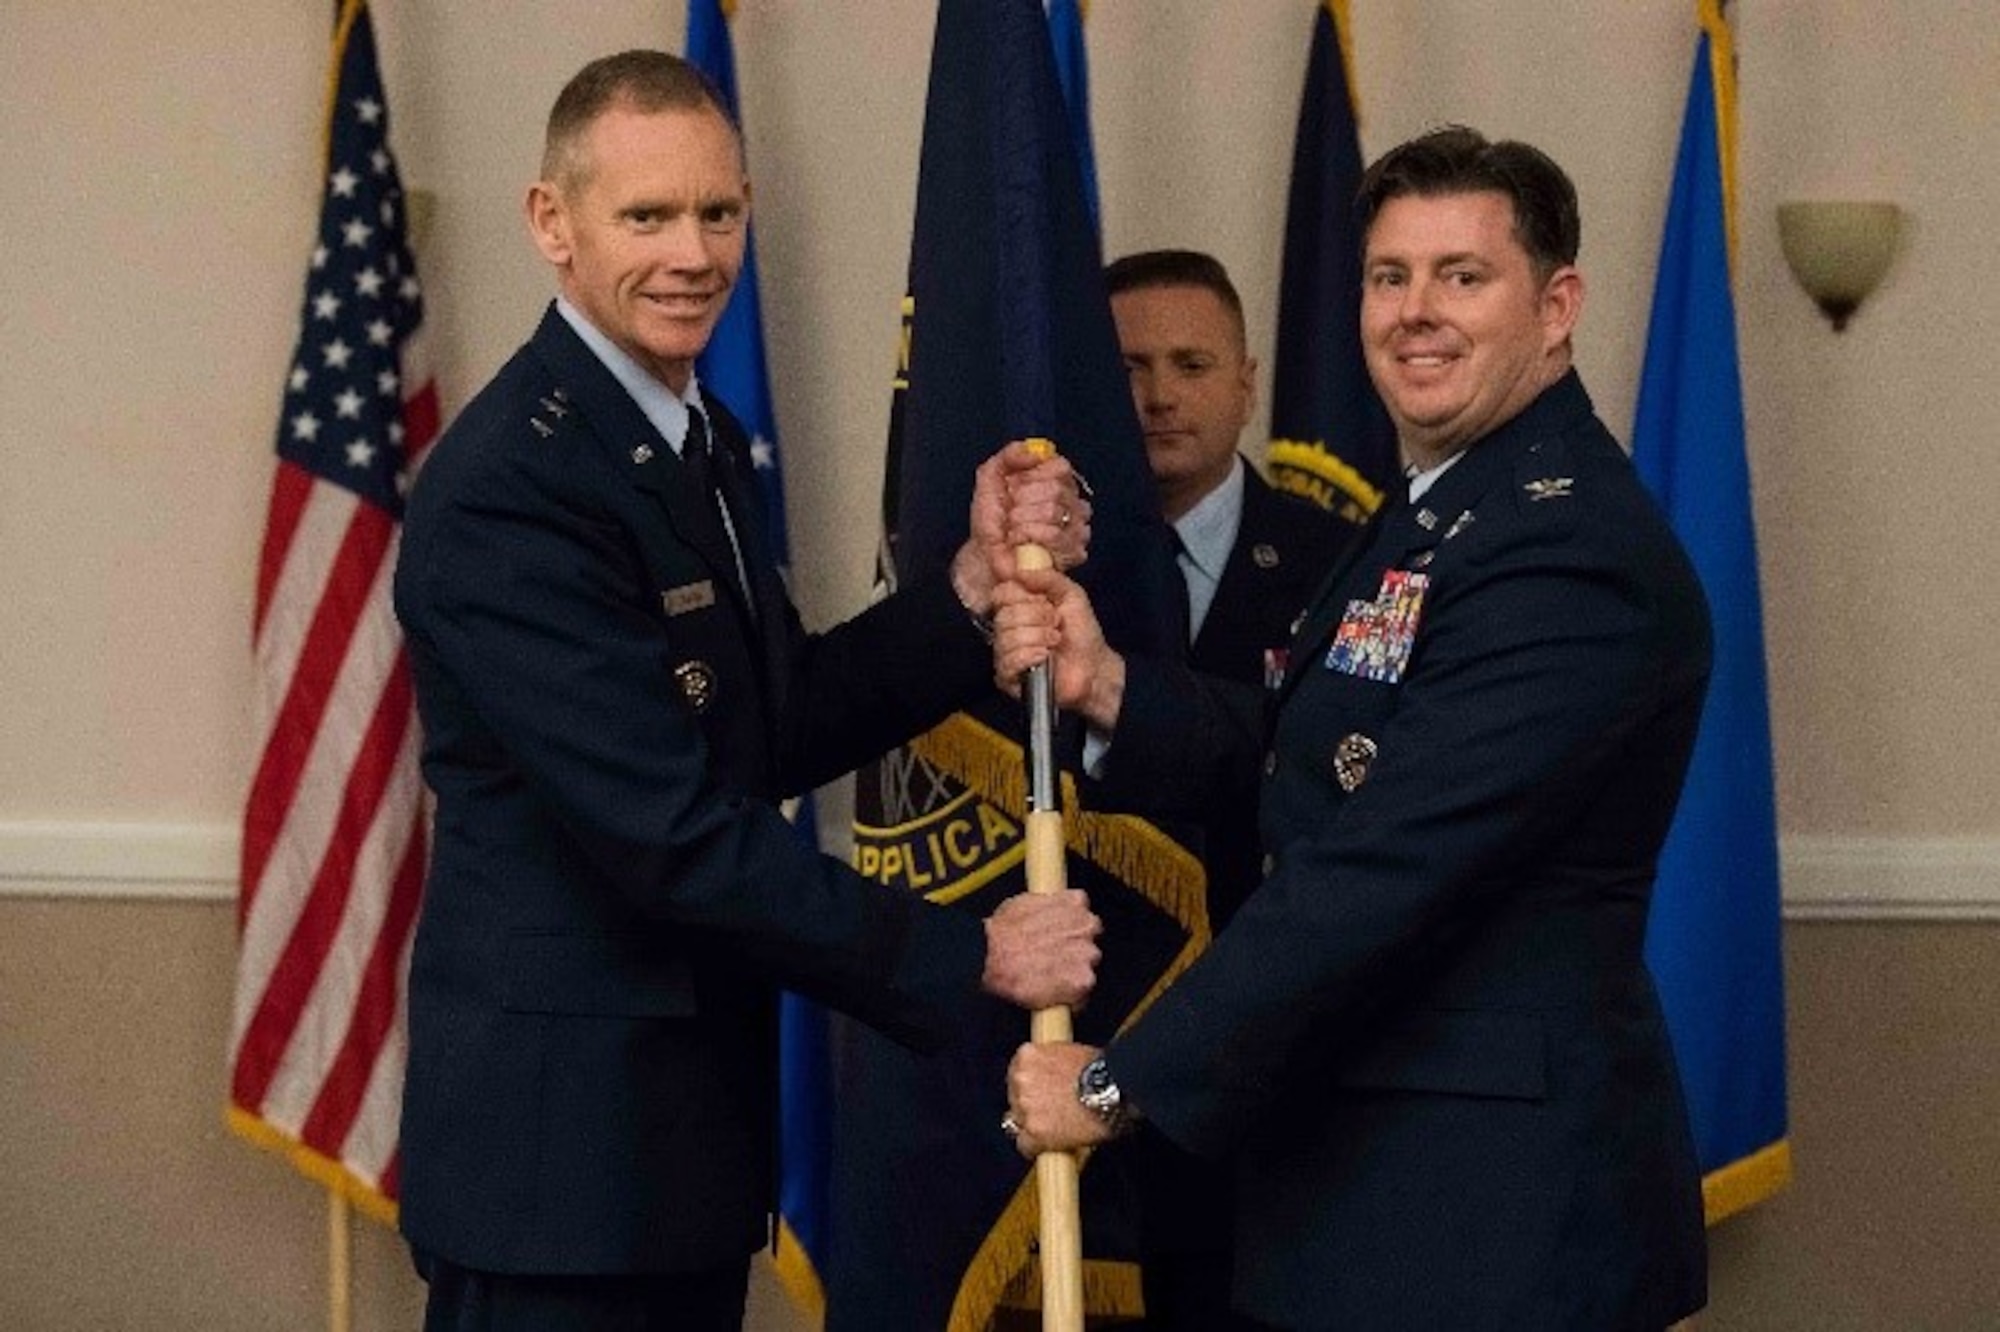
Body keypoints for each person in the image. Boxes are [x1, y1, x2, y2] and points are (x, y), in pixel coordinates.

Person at [393, 50, 1102, 1332]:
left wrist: (963, 597)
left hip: (670, 1155)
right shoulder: (513, 486)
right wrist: (966, 952)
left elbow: (765, 725)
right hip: (558, 1178)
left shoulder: (692, 439)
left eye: (718, 213)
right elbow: (662, 831)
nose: (692, 253)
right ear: (551, 224)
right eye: (645, 216)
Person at [995, 126, 1711, 1331]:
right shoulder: (1439, 515)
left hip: (1485, 1227)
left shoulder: (1566, 548)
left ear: (1556, 304)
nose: (1415, 313)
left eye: (1461, 276)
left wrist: (1119, 1081)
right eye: (1390, 278)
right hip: (1372, 1201)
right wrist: (1109, 683)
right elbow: (1318, 755)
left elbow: (1385, 863)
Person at [1102, 249, 1350, 1329]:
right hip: (1093, 1041)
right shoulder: (1036, 574)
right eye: (1129, 365)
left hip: (1279, 1065)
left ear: (1246, 380)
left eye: (1190, 363)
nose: (1158, 394)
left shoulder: (1341, 567)